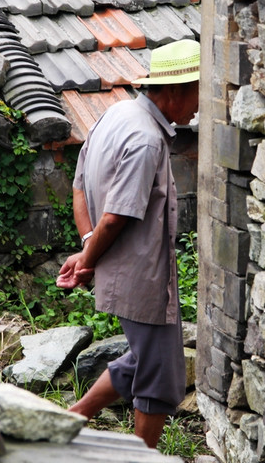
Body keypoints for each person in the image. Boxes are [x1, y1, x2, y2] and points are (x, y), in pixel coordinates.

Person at [56, 38, 200, 449]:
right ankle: (143, 457)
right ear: (174, 90)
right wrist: (87, 258)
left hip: (124, 274)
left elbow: (80, 185)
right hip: (143, 280)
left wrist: (87, 249)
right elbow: (117, 216)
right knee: (161, 379)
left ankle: (76, 416)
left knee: (142, 359)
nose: (197, 105)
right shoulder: (147, 140)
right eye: (195, 92)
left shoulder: (117, 114)